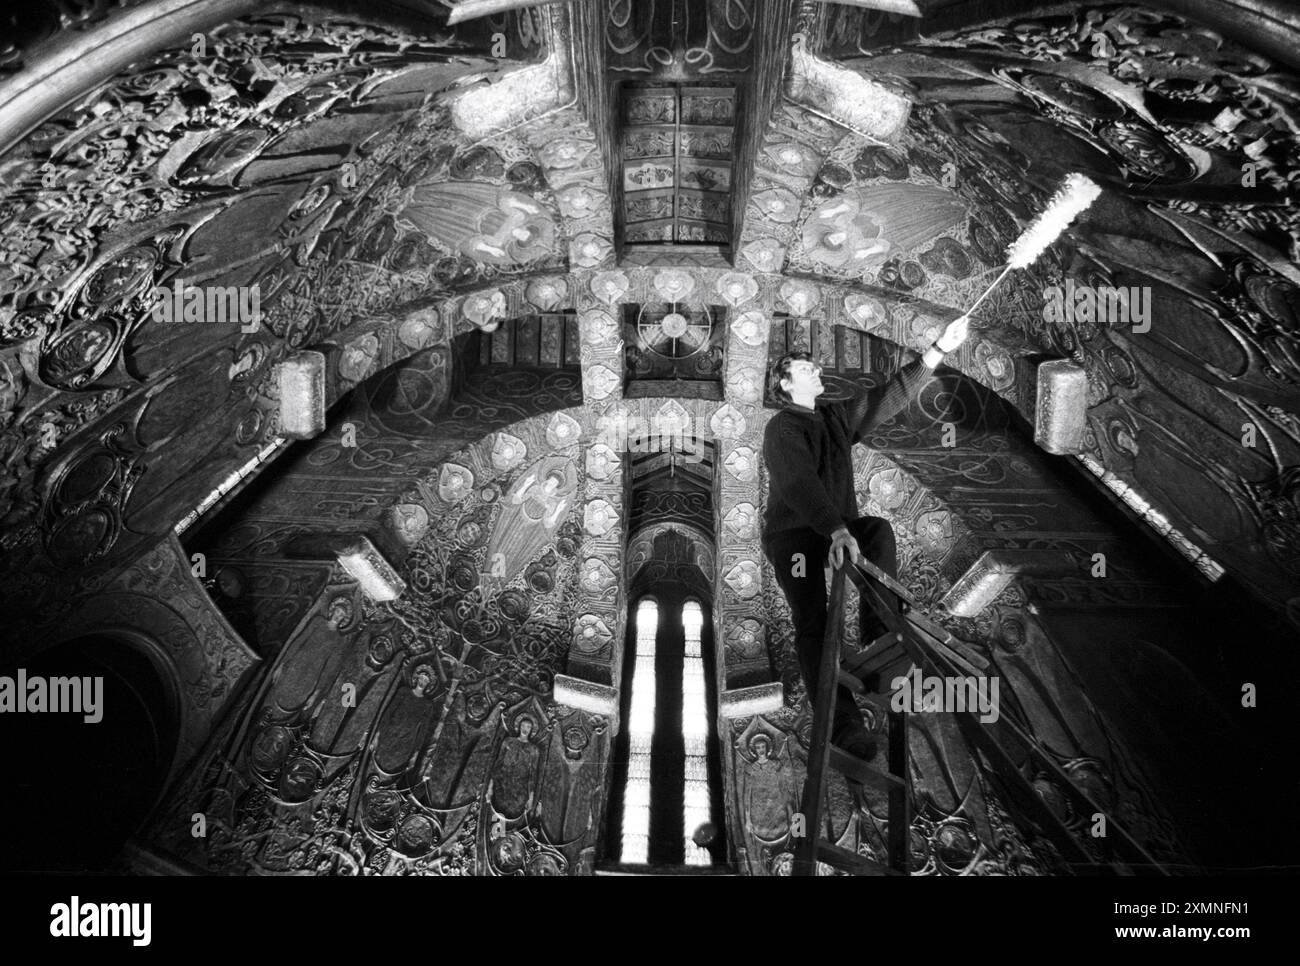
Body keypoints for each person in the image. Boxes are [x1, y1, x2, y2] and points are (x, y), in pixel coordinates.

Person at [761, 316, 970, 761]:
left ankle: (881, 638)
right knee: (813, 622)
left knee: (876, 530)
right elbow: (797, 482)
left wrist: (938, 350)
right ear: (783, 383)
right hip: (794, 534)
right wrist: (835, 527)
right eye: (803, 367)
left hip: (838, 526)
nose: (815, 369)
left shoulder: (834, 417)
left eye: (814, 365)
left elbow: (885, 399)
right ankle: (843, 725)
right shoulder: (782, 427)